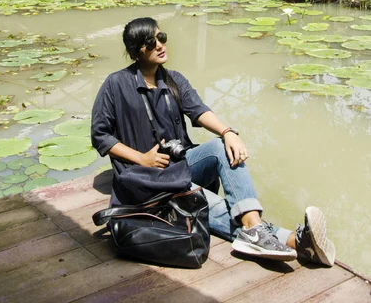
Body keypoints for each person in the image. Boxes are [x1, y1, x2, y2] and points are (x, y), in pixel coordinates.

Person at [91, 17, 335, 265]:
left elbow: (199, 110)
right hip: (144, 179)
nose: (160, 45)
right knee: (213, 206)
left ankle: (258, 231)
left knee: (221, 147)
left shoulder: (174, 80)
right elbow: (100, 135)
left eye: (161, 37)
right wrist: (141, 158)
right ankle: (297, 242)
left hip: (179, 166)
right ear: (136, 51)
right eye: (151, 42)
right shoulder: (116, 84)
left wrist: (228, 132)